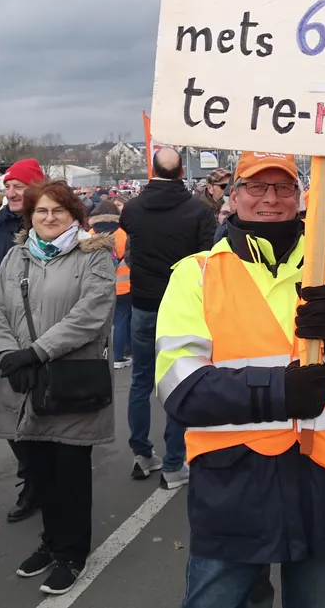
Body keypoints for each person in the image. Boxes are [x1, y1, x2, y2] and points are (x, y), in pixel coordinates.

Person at [155, 151, 325, 607]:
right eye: (256, 187)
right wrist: (280, 392)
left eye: (283, 187)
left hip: (324, 482)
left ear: (300, 196)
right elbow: (179, 389)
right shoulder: (196, 275)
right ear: (234, 196)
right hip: (233, 487)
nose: (271, 199)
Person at [0, 179, 115, 596]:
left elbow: (90, 315)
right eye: (41, 211)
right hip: (24, 381)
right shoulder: (15, 257)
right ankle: (51, 541)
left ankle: (73, 552)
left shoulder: (93, 257)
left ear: (74, 215)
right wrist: (7, 354)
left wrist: (37, 352)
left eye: (58, 211)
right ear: (30, 216)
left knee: (70, 473)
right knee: (40, 471)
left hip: (69, 380)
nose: (48, 218)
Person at [120, 147, 216, 489]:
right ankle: (174, 463)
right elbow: (208, 258)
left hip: (144, 303)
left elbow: (130, 245)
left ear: (153, 169)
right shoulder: (199, 211)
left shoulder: (131, 209)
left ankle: (141, 453)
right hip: (184, 306)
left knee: (142, 380)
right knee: (181, 378)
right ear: (180, 173)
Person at [0, 158, 46, 523]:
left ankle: (49, 479)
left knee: (46, 413)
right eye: (9, 186)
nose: (13, 192)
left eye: (20, 185)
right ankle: (32, 480)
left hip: (44, 338)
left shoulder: (51, 224)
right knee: (10, 417)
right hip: (2, 338)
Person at [88, 200, 133, 369]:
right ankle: (120, 355)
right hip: (123, 284)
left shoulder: (90, 233)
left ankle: (101, 354)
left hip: (97, 284)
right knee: (122, 319)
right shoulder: (123, 233)